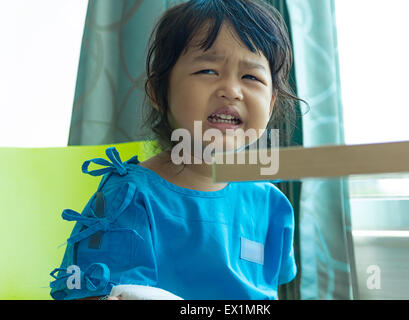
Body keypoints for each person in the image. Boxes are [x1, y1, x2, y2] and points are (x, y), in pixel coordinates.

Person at [49, 0, 302, 300]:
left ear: (271, 103)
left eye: (251, 77)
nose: (231, 90)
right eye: (208, 70)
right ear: (159, 92)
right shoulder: (128, 198)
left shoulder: (271, 203)